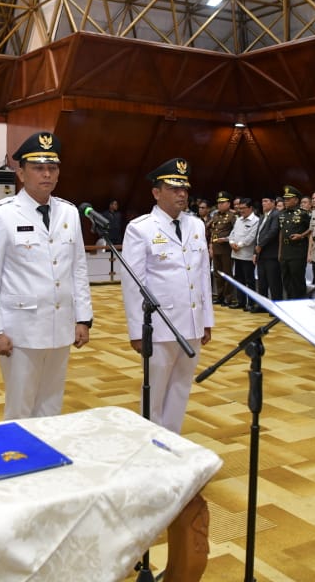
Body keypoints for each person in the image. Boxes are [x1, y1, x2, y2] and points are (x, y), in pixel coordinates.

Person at [0, 131, 92, 419]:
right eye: (38, 168)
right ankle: (16, 460)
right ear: (21, 172)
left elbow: (78, 268)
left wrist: (83, 318)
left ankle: (47, 459)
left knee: (52, 404)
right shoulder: (2, 213)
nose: (46, 175)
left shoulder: (68, 212)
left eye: (52, 168)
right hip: (20, 329)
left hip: (60, 324)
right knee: (21, 405)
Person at [121, 158, 213, 432]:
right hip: (160, 325)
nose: (181, 194)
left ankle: (173, 440)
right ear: (156, 192)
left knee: (181, 387)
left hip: (192, 323)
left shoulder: (196, 225)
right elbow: (133, 283)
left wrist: (206, 319)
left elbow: (202, 276)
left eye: (184, 188)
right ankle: (149, 442)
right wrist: (138, 331)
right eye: (173, 188)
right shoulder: (141, 228)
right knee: (155, 390)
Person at [278, 185, 310, 298]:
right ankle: (290, 306)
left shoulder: (303, 214)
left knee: (297, 281)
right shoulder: (282, 214)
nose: (285, 201)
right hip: (285, 252)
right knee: (286, 281)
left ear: (296, 200)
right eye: (285, 199)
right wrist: (280, 253)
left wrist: (301, 236)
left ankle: (300, 306)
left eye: (288, 199)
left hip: (298, 251)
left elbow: (311, 230)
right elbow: (281, 233)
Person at [227, 197, 259, 310]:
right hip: (236, 254)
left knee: (249, 280)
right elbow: (232, 233)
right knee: (239, 279)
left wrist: (239, 245)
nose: (241, 210)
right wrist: (231, 242)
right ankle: (240, 301)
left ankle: (250, 303)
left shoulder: (256, 221)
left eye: (243, 208)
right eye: (239, 208)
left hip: (247, 255)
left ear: (250, 208)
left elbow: (251, 237)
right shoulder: (239, 220)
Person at [254, 194, 283, 306]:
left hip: (271, 254)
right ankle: (263, 305)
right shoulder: (263, 216)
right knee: (262, 282)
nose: (263, 203)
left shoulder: (276, 214)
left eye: (266, 201)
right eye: (262, 201)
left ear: (273, 202)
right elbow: (258, 235)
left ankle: (277, 305)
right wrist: (255, 252)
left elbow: (273, 232)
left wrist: (260, 245)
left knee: (274, 282)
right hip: (261, 254)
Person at [209, 190, 237, 305]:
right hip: (216, 248)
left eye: (223, 202)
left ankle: (228, 297)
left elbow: (236, 232)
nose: (220, 205)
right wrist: (211, 246)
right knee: (217, 274)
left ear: (228, 204)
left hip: (226, 249)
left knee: (227, 273)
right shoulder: (215, 215)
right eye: (219, 203)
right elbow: (212, 231)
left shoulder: (232, 216)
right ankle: (219, 296)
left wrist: (226, 239)